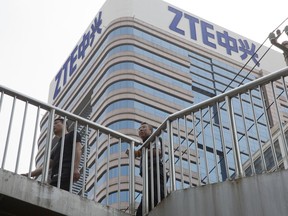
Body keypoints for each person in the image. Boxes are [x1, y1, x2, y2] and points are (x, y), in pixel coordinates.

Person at [22, 117, 82, 191]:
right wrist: (29, 174)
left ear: (65, 125)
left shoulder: (72, 134)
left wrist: (76, 168)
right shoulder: (56, 148)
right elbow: (46, 166)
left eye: (56, 123)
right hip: (55, 176)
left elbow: (78, 150)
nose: (53, 126)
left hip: (66, 173)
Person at [130, 122, 165, 216]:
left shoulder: (155, 138)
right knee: (147, 200)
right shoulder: (144, 146)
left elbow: (157, 152)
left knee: (156, 196)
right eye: (140, 128)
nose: (141, 129)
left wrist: (138, 153)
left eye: (144, 127)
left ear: (150, 131)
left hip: (155, 170)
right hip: (148, 175)